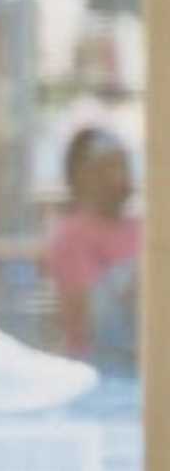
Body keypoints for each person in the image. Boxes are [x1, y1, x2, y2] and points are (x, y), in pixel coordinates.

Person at [43, 126, 140, 363]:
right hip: (97, 370)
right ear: (83, 177)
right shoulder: (70, 236)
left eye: (124, 164)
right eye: (111, 166)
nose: (123, 176)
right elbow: (88, 322)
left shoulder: (143, 228)